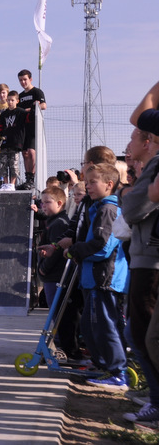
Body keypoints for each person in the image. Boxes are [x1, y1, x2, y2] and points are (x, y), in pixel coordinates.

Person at [60, 163, 129, 389]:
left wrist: (75, 250)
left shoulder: (108, 210)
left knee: (104, 326)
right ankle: (104, 365)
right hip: (94, 278)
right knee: (91, 326)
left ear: (109, 184)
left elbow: (102, 247)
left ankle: (117, 372)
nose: (87, 186)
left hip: (104, 279)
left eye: (92, 182)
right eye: (86, 182)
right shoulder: (98, 208)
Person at [119, 127, 159, 425]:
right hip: (143, 259)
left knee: (147, 336)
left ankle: (157, 402)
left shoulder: (155, 165)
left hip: (150, 262)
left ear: (148, 141)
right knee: (137, 333)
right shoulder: (150, 167)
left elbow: (132, 210)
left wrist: (129, 195)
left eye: (133, 137)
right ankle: (155, 396)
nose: (128, 145)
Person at [36, 186, 71, 311]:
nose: (43, 206)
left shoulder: (58, 224)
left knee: (56, 311)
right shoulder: (53, 222)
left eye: (47, 202)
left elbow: (57, 250)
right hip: (53, 276)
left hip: (55, 276)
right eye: (42, 203)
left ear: (59, 203)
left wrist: (43, 269)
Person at [17, 69, 47, 190]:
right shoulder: (20, 96)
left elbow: (43, 105)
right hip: (23, 128)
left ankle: (32, 179)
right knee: (25, 153)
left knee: (31, 152)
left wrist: (29, 109)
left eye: (25, 79)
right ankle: (27, 178)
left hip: (34, 127)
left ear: (30, 79)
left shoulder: (37, 92)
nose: (23, 82)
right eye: (20, 80)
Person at [0, 90, 26, 190]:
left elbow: (28, 122)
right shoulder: (3, 114)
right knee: (2, 164)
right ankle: (5, 184)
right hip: (4, 143)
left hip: (15, 143)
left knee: (14, 164)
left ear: (17, 101)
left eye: (12, 100)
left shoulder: (21, 112)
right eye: (8, 100)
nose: (10, 102)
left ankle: (12, 184)